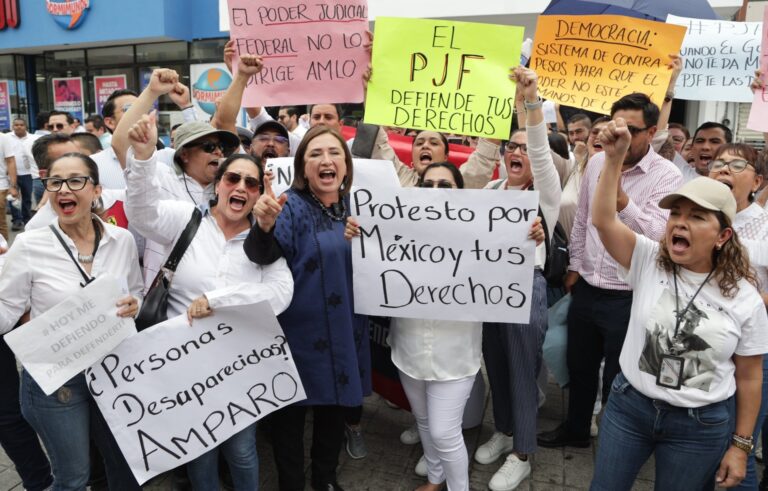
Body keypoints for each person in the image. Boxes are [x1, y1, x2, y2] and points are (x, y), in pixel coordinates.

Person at [589, 118, 768, 490]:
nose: (679, 224)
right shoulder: (648, 259)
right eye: (676, 214)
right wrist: (613, 159)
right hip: (629, 409)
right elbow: (604, 220)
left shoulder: (746, 298)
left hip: (699, 426)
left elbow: (750, 377)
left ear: (723, 236)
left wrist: (740, 446)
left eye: (696, 217)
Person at [124, 111, 293, 490]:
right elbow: (141, 213)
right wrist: (144, 158)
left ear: (259, 193)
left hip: (238, 365)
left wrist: (219, 299)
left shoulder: (266, 241)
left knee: (243, 450)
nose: (242, 187)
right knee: (199, 451)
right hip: (182, 363)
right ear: (217, 185)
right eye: (233, 178)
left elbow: (281, 293)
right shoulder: (185, 219)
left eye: (251, 183)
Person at [539, 93, 683, 449]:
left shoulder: (667, 176)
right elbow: (584, 219)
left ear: (651, 132)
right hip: (587, 287)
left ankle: (619, 442)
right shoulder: (597, 162)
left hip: (631, 295)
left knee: (621, 376)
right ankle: (575, 430)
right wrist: (574, 266)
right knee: (580, 366)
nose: (620, 136)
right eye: (616, 126)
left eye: (631, 130)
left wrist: (624, 204)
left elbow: (658, 237)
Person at [0, 152, 143, 490]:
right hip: (58, 382)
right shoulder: (30, 245)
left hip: (113, 373)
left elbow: (136, 292)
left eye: (76, 180)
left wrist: (134, 304)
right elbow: (6, 309)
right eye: (55, 182)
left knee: (128, 470)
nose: (64, 189)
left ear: (96, 190)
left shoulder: (121, 240)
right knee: (73, 478)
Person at [245, 125, 371, 491]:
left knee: (334, 411)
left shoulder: (361, 208)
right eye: (315, 154)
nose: (326, 160)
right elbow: (262, 255)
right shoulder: (290, 205)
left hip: (346, 327)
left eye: (334, 153)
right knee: (290, 419)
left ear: (346, 166)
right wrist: (264, 226)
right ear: (303, 168)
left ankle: (325, 478)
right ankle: (291, 483)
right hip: (298, 334)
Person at [475, 67, 561, 491]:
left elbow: (542, 152)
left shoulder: (544, 193)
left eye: (524, 149)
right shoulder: (490, 192)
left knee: (523, 370)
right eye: (512, 146)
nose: (518, 153)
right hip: (488, 287)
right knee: (496, 364)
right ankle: (505, 429)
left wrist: (531, 103)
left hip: (525, 287)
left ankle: (523, 452)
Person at [707, 143, 768, 490]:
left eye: (736, 164)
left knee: (737, 446)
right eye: (718, 164)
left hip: (749, 354)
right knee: (705, 445)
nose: (723, 168)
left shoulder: (764, 225)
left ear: (757, 180)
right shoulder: (692, 215)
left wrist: (748, 302)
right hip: (702, 347)